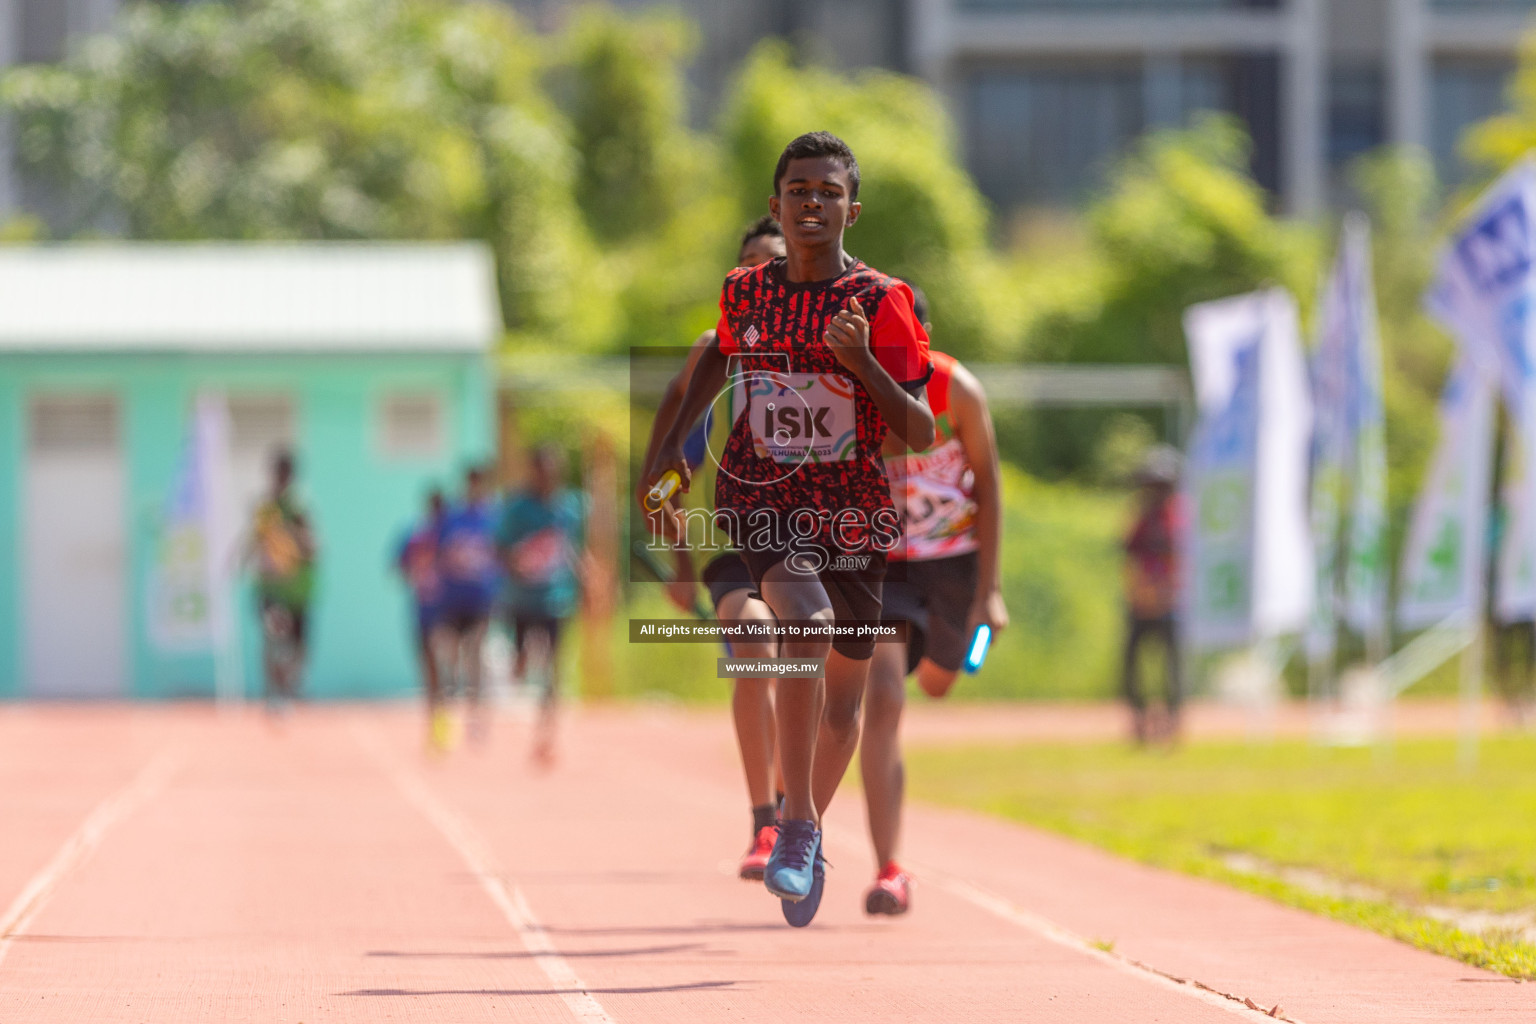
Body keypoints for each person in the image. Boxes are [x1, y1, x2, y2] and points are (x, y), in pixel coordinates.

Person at [646, 131, 935, 927]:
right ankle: (789, 819)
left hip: (851, 509)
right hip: (761, 495)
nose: (812, 202)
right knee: (799, 623)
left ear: (852, 208)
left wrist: (865, 365)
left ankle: (803, 829)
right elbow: (714, 360)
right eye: (798, 189)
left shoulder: (882, 302)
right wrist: (674, 451)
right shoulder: (745, 293)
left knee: (846, 704)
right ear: (777, 204)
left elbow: (917, 429)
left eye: (829, 191)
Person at [639, 215, 787, 880]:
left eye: (775, 265)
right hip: (735, 548)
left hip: (811, 543)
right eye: (750, 264)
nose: (762, 277)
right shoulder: (717, 353)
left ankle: (796, 812)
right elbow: (671, 467)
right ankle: (765, 823)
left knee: (802, 676)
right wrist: (678, 558)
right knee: (758, 651)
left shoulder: (827, 342)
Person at [860, 301, 1008, 916]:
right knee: (885, 698)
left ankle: (951, 650)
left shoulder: (957, 390)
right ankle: (889, 868)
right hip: (886, 567)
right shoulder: (851, 391)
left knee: (940, 683)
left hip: (954, 563)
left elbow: (991, 487)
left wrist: (989, 591)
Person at [497, 445, 586, 766]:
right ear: (532, 472)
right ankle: (519, 661)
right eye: (541, 473)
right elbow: (499, 547)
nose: (547, 479)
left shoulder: (570, 507)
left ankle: (546, 737)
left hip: (556, 599)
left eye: (552, 473)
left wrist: (585, 573)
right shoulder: (517, 508)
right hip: (522, 600)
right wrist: (515, 563)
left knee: (552, 669)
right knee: (521, 664)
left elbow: (571, 548)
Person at [1122, 445, 1185, 745]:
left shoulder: (1180, 517)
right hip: (1141, 602)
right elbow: (1128, 552)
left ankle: (1173, 721)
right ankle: (1139, 719)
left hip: (1172, 604)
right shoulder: (1142, 518)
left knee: (1172, 669)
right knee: (1132, 667)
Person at [433, 465, 501, 741]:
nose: (475, 488)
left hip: (480, 600)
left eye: (480, 483)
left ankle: (475, 719)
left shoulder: (495, 518)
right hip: (451, 600)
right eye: (472, 483)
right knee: (449, 659)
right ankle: (444, 720)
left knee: (475, 656)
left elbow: (502, 556)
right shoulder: (452, 517)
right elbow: (437, 555)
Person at [249, 448, 317, 710]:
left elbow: (313, 546)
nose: (280, 479)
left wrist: (300, 543)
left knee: (299, 647)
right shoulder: (265, 509)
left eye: (284, 474)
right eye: (277, 473)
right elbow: (255, 541)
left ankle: (289, 681)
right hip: (271, 586)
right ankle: (272, 693)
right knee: (272, 633)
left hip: (298, 587)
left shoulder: (300, 507)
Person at [397, 489, 450, 750]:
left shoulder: (452, 535)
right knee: (431, 670)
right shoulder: (415, 534)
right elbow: (398, 565)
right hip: (423, 610)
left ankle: (443, 721)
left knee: (444, 667)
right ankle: (435, 722)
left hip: (448, 612)